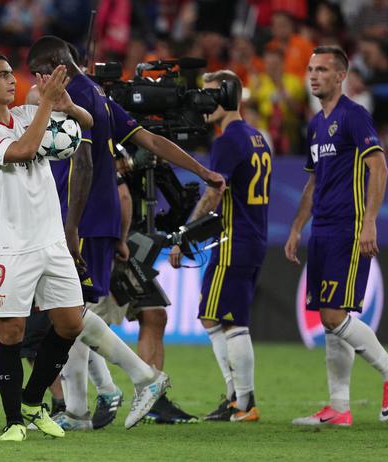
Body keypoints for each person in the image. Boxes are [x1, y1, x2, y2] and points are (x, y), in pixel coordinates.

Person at [26, 35, 226, 429]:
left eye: (38, 75)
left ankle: (144, 379)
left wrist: (70, 227)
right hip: (95, 219)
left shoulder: (73, 101)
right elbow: (151, 141)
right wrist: (201, 171)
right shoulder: (98, 94)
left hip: (78, 219)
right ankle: (79, 412)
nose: (37, 83)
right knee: (73, 315)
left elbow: (82, 165)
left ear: (52, 70)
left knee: (74, 313)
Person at [0, 50, 94, 442]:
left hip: (50, 239)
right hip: (11, 244)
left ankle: (34, 400)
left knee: (71, 324)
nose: (12, 80)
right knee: (12, 333)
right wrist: (47, 104)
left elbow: (86, 124)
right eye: (2, 75)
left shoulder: (23, 115)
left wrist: (68, 106)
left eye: (11, 74)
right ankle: (14, 419)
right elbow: (24, 151)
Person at [284, 46, 388, 427]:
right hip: (322, 230)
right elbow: (313, 182)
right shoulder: (315, 125)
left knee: (334, 314)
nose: (313, 76)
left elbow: (380, 168)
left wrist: (370, 221)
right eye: (310, 69)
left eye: (322, 69)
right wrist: (295, 228)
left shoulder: (354, 117)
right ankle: (339, 408)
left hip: (349, 227)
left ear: (341, 76)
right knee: (329, 320)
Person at [169, 70, 270, 423]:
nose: (204, 104)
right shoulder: (257, 137)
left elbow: (215, 191)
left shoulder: (228, 140)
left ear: (228, 95)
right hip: (253, 236)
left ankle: (244, 402)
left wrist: (185, 234)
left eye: (210, 95)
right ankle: (234, 396)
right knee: (211, 315)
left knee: (230, 320)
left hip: (234, 238)